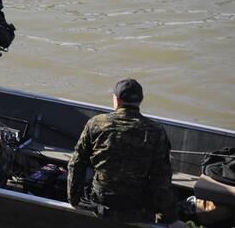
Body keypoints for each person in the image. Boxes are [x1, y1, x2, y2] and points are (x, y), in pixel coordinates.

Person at [67, 78, 185, 227]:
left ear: (116, 100)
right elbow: (161, 180)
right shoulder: (156, 131)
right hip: (137, 210)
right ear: (140, 101)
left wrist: (74, 200)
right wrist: (171, 218)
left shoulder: (96, 123)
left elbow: (76, 164)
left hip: (101, 206)